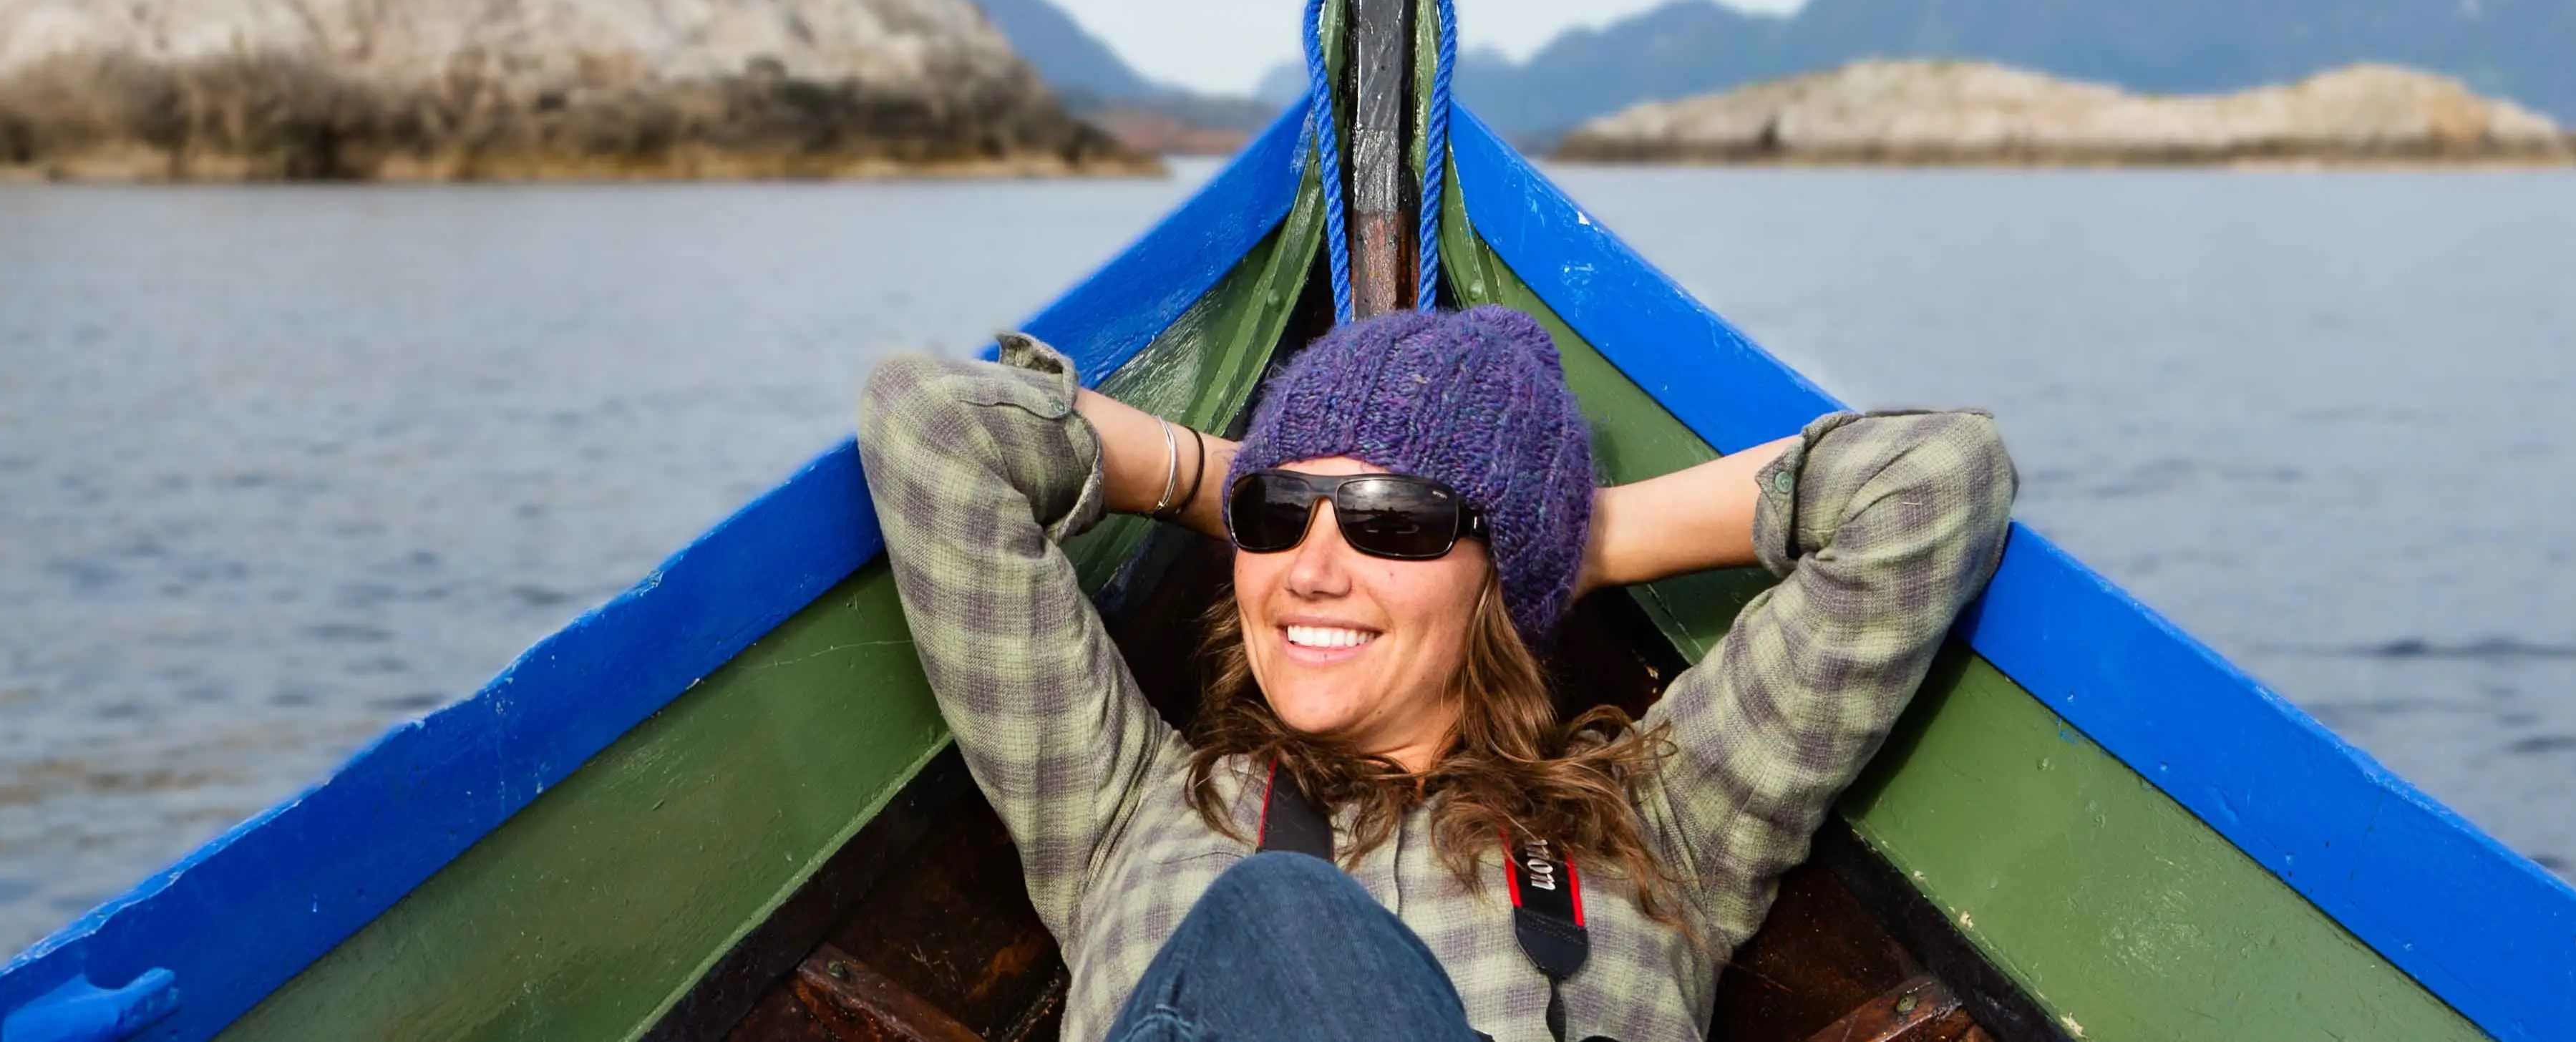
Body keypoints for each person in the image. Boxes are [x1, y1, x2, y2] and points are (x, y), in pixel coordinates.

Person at [855, 305, 2015, 1042]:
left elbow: (1933, 484)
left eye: (1391, 522)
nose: (1312, 566)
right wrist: (1231, 480)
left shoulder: (1665, 823)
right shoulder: (1116, 803)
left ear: (1498, 583)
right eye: (1279, 515)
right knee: (1277, 922)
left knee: (1284, 924)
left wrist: (1556, 536)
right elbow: (932, 426)